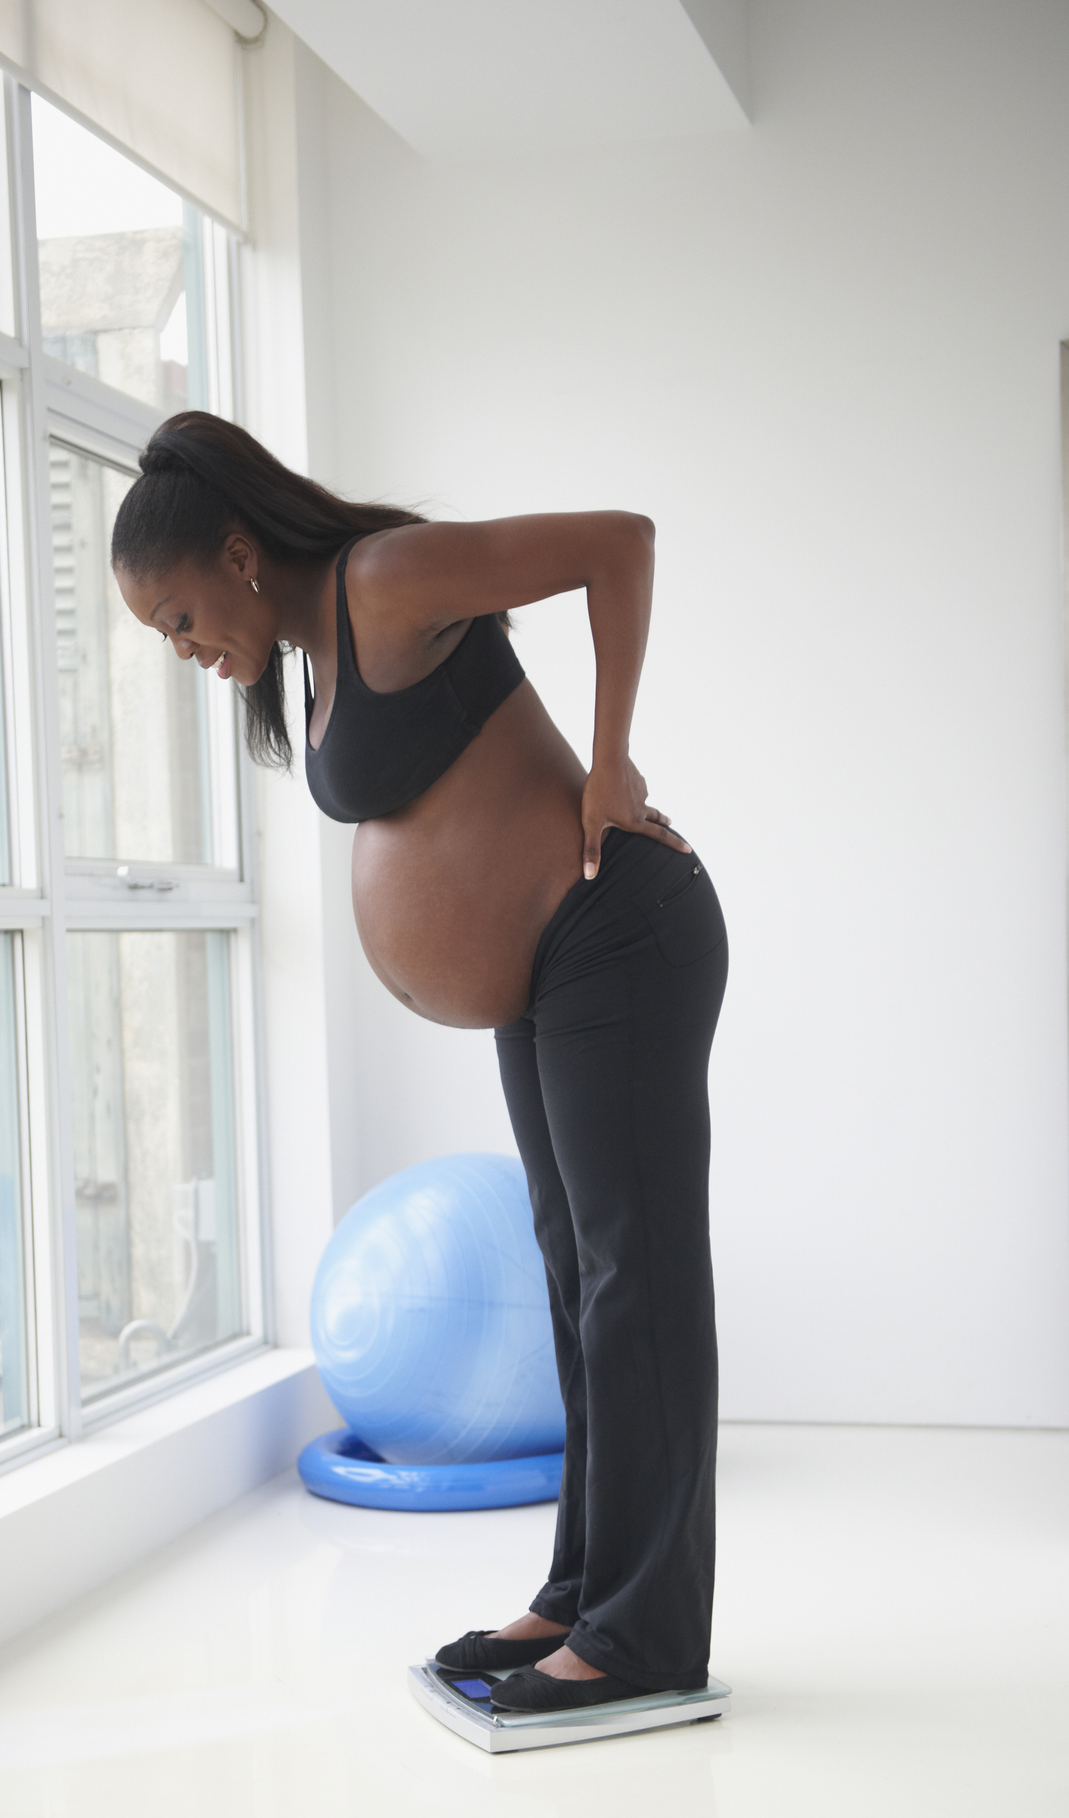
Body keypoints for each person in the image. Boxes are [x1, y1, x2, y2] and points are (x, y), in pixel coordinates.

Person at [112, 411, 728, 1713]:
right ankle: (582, 1593)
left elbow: (617, 545)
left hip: (616, 932)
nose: (185, 652)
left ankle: (649, 1636)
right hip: (548, 967)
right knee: (578, 1274)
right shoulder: (310, 651)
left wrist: (609, 761)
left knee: (637, 1277)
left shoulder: (378, 583)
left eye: (175, 621)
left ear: (233, 555)